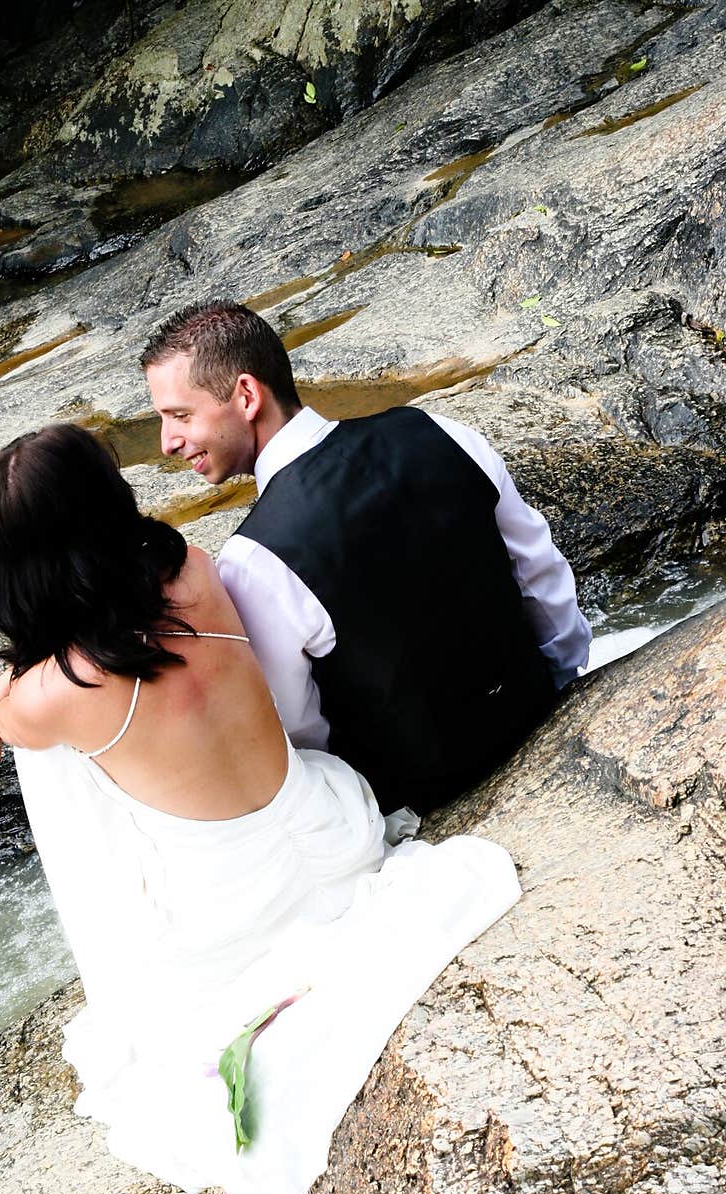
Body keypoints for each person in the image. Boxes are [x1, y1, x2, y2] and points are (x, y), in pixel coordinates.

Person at [0, 422, 521, 1194]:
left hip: (236, 915)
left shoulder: (49, 697)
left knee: (42, 765)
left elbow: (6, 709)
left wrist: (4, 691)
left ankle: (113, 957)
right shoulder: (186, 566)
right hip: (337, 827)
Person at [140, 299, 592, 815]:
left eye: (179, 415)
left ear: (246, 395)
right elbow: (541, 575)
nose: (167, 443)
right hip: (536, 710)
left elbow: (302, 735)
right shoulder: (438, 430)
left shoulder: (253, 561)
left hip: (422, 801)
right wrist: (562, 682)